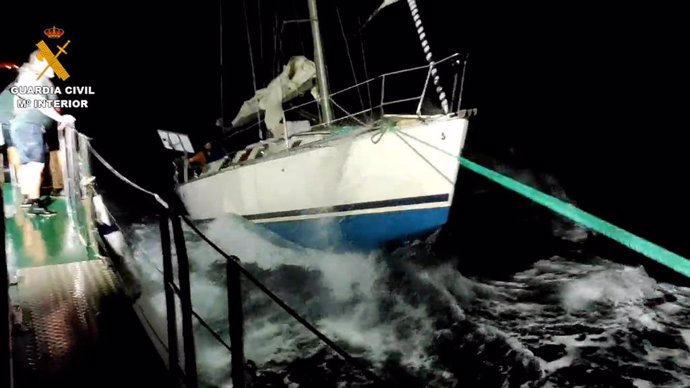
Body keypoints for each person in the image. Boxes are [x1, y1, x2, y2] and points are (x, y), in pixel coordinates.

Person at [11, 50, 75, 215]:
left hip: (26, 126)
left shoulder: (31, 76)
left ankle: (30, 200)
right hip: (28, 127)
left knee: (28, 165)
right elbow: (38, 101)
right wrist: (59, 118)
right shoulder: (31, 77)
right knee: (35, 165)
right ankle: (35, 204)